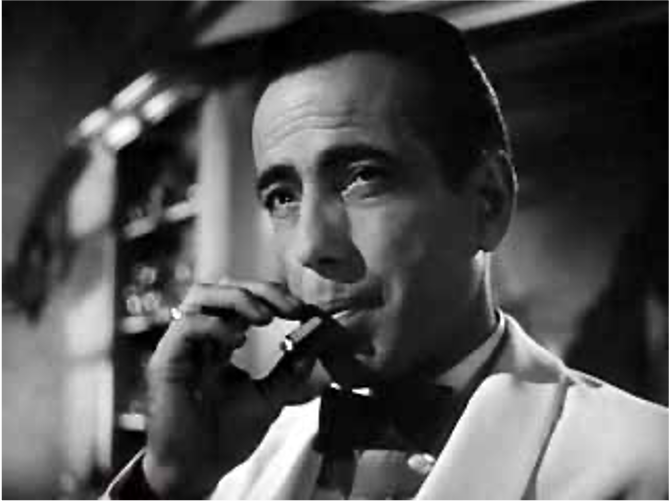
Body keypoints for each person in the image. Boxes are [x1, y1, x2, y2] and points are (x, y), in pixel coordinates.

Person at [105, 6, 668, 501]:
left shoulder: (647, 466)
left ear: (488, 203)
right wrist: (166, 483)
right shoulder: (236, 463)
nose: (310, 247)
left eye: (364, 178)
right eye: (282, 197)